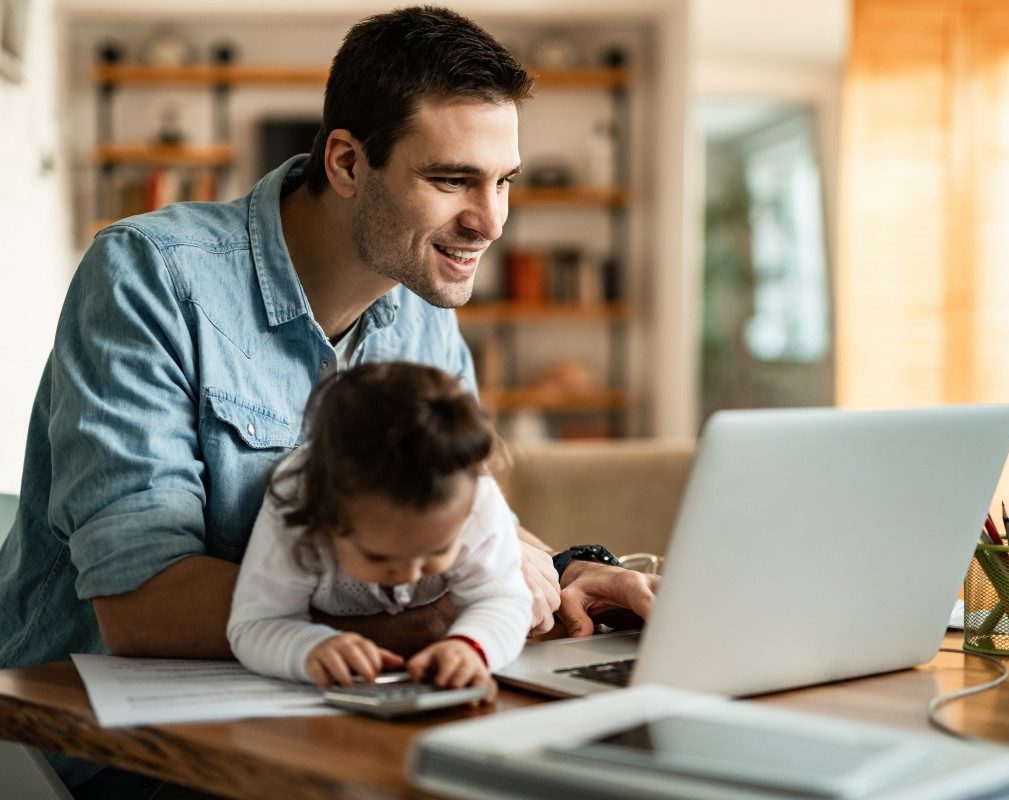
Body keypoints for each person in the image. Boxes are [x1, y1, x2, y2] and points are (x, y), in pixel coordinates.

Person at [0, 5, 658, 792]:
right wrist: (434, 621)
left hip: (336, 711)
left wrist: (563, 574)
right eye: (452, 180)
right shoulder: (152, 277)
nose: (490, 221)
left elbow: (444, 521)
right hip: (117, 743)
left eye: (502, 181)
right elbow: (139, 607)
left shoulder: (423, 310)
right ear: (346, 163)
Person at [228, 361, 532, 699]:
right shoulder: (296, 501)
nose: (408, 574)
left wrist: (471, 646)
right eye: (378, 556)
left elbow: (503, 598)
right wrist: (309, 648)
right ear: (327, 516)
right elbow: (254, 623)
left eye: (436, 552)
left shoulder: (475, 495)